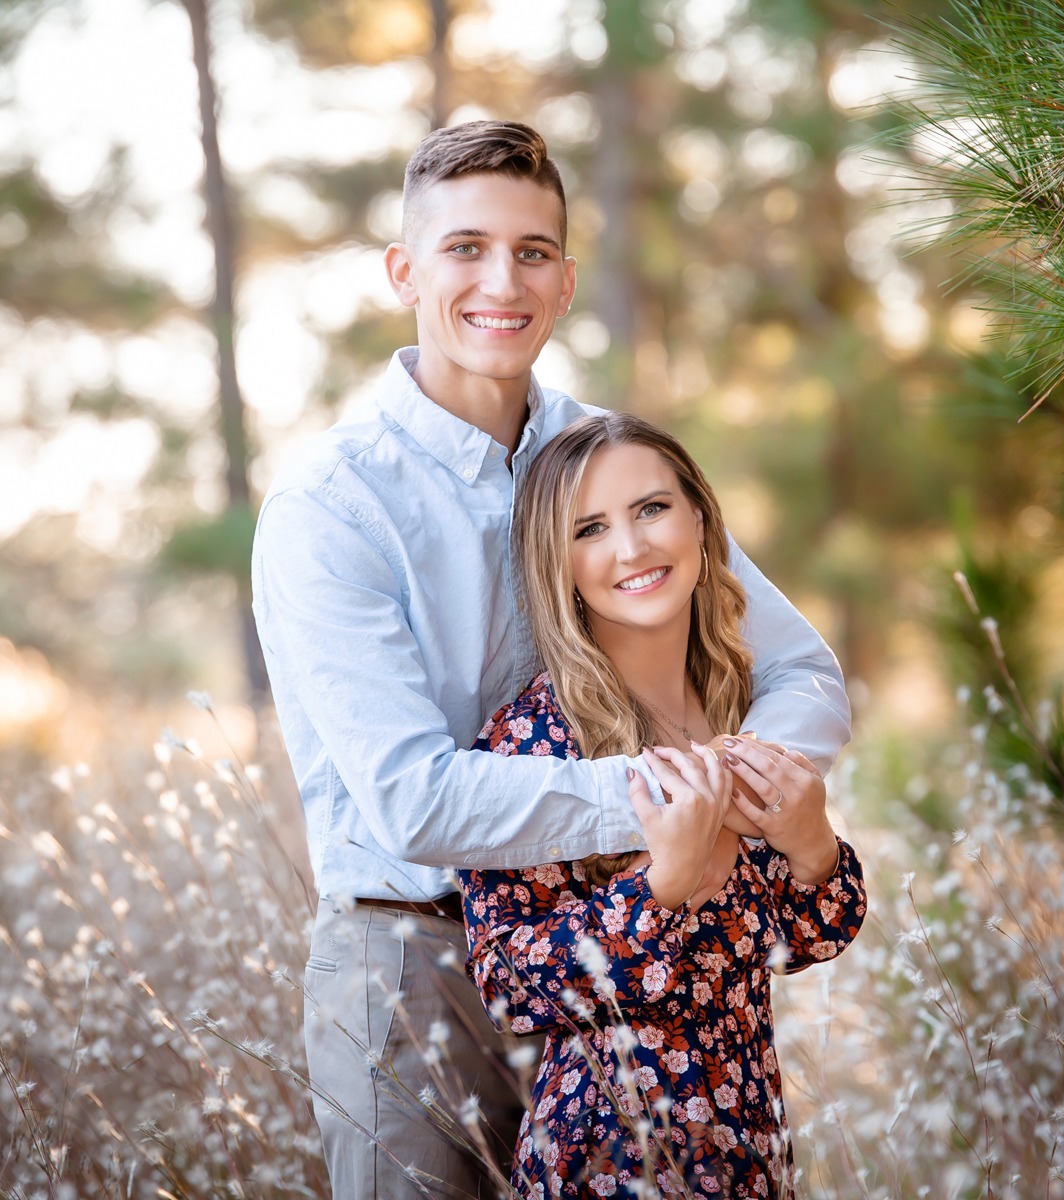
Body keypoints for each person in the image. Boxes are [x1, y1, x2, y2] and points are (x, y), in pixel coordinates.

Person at [250, 122, 851, 1199]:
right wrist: (672, 797)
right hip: (415, 961)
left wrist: (734, 803)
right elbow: (414, 801)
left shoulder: (613, 465)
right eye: (465, 248)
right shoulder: (329, 506)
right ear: (404, 272)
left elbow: (804, 677)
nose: (503, 282)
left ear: (567, 283)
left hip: (636, 947)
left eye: (532, 252)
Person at [459, 412, 865, 1199]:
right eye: (590, 529)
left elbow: (801, 940)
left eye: (651, 509)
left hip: (748, 1144)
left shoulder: (743, 711)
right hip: (612, 1157)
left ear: (702, 522)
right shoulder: (532, 742)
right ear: (558, 564)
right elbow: (507, 981)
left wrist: (813, 846)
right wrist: (660, 887)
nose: (632, 547)